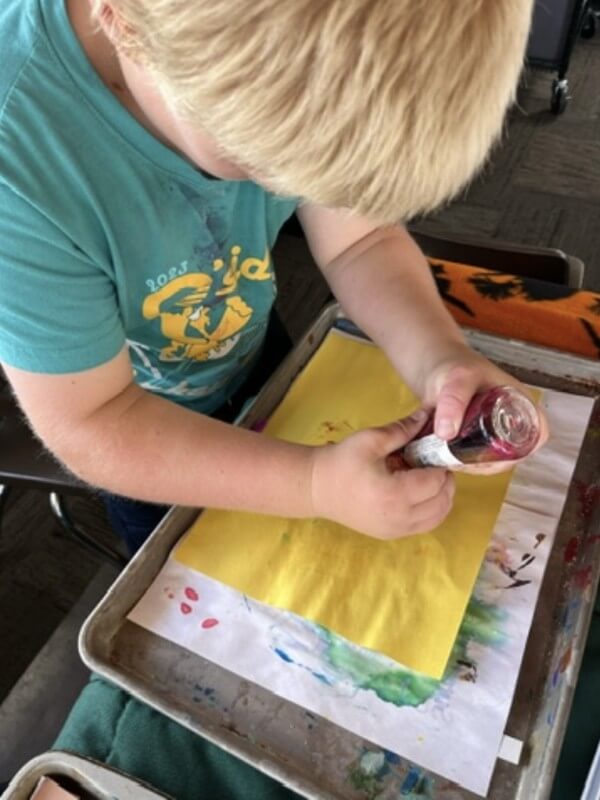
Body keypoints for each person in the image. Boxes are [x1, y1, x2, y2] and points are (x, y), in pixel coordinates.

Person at [0, 0, 544, 555]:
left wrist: (440, 357)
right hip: (143, 435)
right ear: (123, 22)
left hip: (247, 351)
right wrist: (312, 485)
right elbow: (94, 422)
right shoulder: (15, 173)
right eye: (264, 168)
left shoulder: (245, 68)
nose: (289, 192)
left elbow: (363, 240)